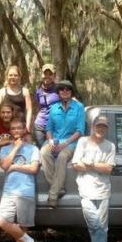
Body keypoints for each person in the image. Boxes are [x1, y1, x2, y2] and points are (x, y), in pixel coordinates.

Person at [71, 115, 116, 242]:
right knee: (95, 224)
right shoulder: (83, 141)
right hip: (86, 189)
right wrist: (99, 166)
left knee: (102, 227)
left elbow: (109, 169)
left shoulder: (110, 146)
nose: (101, 129)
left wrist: (90, 164)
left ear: (107, 128)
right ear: (93, 126)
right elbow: (76, 164)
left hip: (103, 190)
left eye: (104, 126)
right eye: (98, 126)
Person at [0, 119, 42, 242]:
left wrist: (15, 166)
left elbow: (33, 169)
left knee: (21, 228)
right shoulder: (5, 149)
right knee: (3, 222)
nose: (16, 130)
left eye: (19, 128)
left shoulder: (33, 149)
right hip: (9, 191)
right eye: (13, 128)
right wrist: (15, 148)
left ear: (24, 130)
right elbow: (4, 166)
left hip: (26, 191)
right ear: (10, 131)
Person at [40, 80, 85, 208]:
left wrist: (64, 144)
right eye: (62, 89)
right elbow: (48, 128)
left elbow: (80, 130)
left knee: (62, 157)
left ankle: (53, 195)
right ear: (58, 92)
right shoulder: (54, 108)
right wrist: (50, 140)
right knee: (43, 152)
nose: (65, 91)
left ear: (71, 92)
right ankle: (59, 188)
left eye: (68, 89)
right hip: (54, 141)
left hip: (71, 143)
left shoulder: (79, 107)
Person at [0, 65, 32, 130]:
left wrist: (27, 126)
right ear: (7, 76)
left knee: (28, 140)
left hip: (21, 126)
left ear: (19, 77)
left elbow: (29, 109)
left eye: (15, 75)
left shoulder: (25, 91)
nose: (13, 77)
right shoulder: (2, 91)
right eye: (10, 75)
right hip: (6, 126)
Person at [33, 63, 60, 144]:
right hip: (40, 124)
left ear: (54, 76)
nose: (47, 76)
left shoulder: (59, 89)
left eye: (50, 74)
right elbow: (37, 107)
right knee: (41, 149)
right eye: (45, 73)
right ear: (42, 74)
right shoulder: (38, 90)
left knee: (53, 148)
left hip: (54, 125)